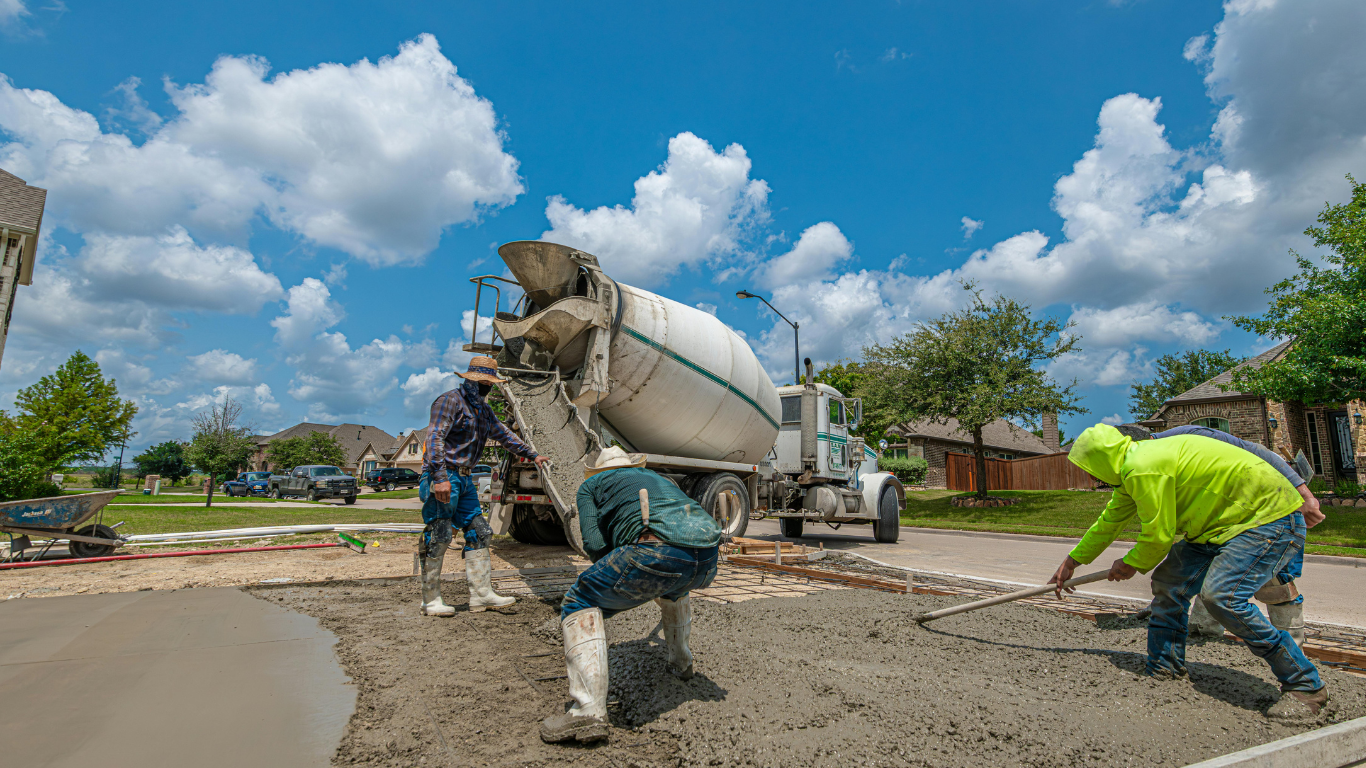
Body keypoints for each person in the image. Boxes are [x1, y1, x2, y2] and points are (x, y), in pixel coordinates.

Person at [1049, 424, 1327, 718]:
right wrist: (1072, 562)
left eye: (1089, 469)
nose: (1091, 477)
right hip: (1217, 526)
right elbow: (1108, 523)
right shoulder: (1132, 469)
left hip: (1267, 518)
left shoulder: (1144, 466)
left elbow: (1158, 537)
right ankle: (1164, 667)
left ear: (1100, 460)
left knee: (1223, 597)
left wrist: (1129, 563)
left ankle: (1305, 685)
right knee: (1169, 584)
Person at [540, 447, 722, 744]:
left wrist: (621, 571)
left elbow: (594, 543)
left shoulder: (591, 486)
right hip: (707, 559)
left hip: (655, 552)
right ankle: (681, 664)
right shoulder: (657, 477)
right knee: (674, 591)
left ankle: (587, 712)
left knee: (579, 599)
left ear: (599, 470)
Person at [1144, 424, 1323, 644]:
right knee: (1214, 572)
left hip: (1268, 504)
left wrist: (1304, 494)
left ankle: (1292, 643)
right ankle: (1204, 634)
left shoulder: (1189, 437)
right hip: (1223, 515)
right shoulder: (1148, 467)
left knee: (1276, 580)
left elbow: (1258, 451)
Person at [418, 356, 551, 617]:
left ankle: (481, 595)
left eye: (490, 383)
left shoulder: (483, 410)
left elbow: (503, 434)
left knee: (480, 532)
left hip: (466, 479)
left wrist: (533, 454)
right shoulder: (450, 401)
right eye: (484, 383)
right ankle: (430, 600)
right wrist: (440, 477)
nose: (488, 387)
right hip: (445, 475)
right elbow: (435, 438)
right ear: (471, 380)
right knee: (440, 533)